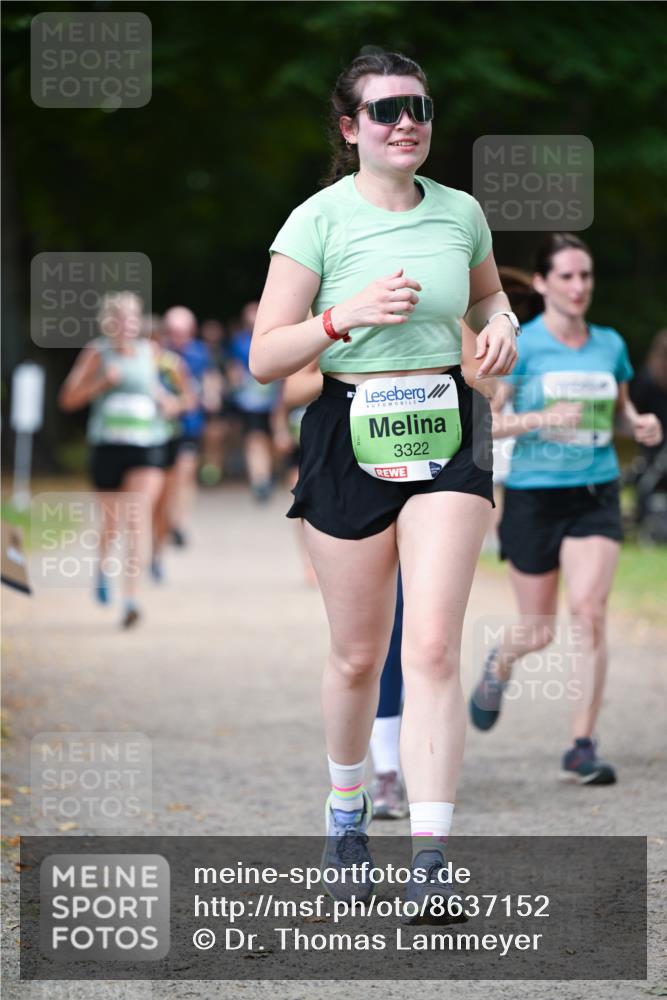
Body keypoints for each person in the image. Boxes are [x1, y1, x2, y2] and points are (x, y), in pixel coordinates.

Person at [250, 50, 517, 918]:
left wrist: (503, 325)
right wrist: (344, 316)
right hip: (346, 429)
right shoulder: (316, 222)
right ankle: (345, 812)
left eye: (420, 106)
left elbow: (485, 304)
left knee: (432, 645)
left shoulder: (461, 213)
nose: (406, 121)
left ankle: (431, 858)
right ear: (349, 128)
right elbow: (262, 358)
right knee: (358, 654)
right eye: (385, 109)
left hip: (445, 427)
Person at [469, 233, 663, 785]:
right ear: (543, 283)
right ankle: (499, 663)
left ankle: (581, 744)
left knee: (590, 612)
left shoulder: (610, 344)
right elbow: (484, 430)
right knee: (539, 630)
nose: (579, 287)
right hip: (533, 496)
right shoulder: (521, 346)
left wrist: (640, 424)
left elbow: (622, 414)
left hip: (594, 492)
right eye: (568, 277)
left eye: (586, 276)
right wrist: (543, 419)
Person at [58, 292, 169, 628]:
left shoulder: (150, 351)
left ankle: (131, 599)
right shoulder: (97, 352)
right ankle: (103, 567)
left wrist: (169, 402)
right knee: (111, 524)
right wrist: (102, 382)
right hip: (108, 446)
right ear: (109, 321)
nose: (127, 324)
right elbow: (68, 399)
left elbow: (154, 389)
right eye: (120, 318)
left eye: (133, 317)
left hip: (146, 444)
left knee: (136, 518)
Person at [227, 302, 283, 502]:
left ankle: (270, 474)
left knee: (273, 441)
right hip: (249, 401)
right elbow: (234, 368)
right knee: (254, 439)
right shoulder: (239, 341)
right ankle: (260, 481)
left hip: (275, 400)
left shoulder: (277, 336)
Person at [163, 306, 209, 545]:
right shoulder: (160, 354)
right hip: (164, 425)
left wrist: (212, 395)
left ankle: (179, 522)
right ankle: (168, 519)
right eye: (172, 332)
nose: (177, 337)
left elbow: (209, 379)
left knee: (185, 472)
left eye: (182, 332)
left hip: (191, 423)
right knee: (168, 477)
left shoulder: (200, 353)